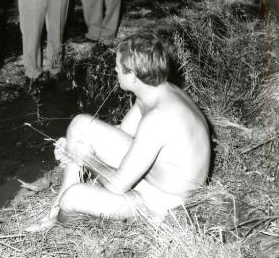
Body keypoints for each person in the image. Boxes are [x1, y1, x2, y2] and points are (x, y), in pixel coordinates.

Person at [25, 33, 211, 232]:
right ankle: (55, 211)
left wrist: (85, 156)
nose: (114, 69)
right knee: (81, 126)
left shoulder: (158, 118)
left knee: (74, 197)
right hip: (158, 178)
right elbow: (123, 132)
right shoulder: (158, 91)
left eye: (117, 65)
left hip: (165, 200)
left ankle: (63, 225)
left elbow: (117, 185)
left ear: (132, 75)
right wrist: (72, 144)